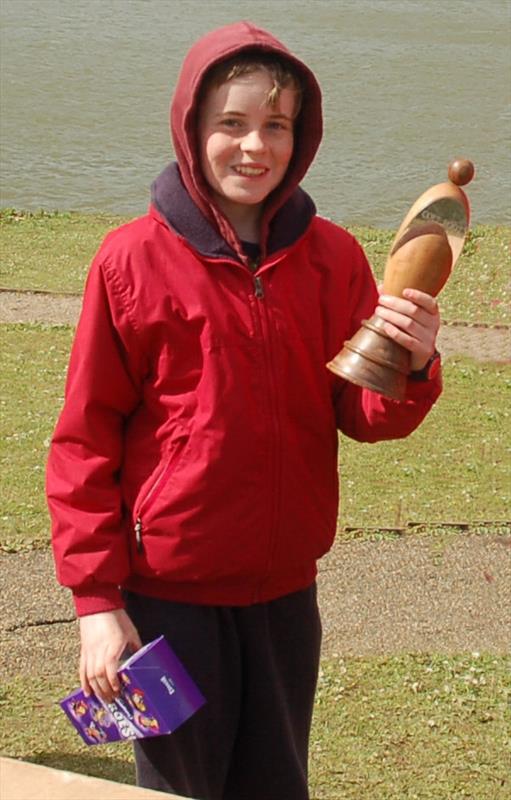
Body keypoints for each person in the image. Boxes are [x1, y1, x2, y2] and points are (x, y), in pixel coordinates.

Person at [47, 20, 442, 800]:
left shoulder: (333, 256)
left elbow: (363, 412)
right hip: (164, 598)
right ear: (191, 128)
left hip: (286, 595)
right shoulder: (129, 259)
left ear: (302, 139)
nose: (253, 146)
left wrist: (414, 360)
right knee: (172, 789)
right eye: (230, 123)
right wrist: (97, 604)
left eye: (276, 126)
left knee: (275, 784)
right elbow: (83, 440)